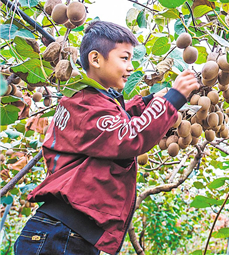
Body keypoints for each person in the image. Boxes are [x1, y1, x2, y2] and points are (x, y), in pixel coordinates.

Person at [14, 21, 199, 255]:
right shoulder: (86, 105)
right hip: (61, 234)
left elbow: (112, 120)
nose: (131, 67)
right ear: (95, 59)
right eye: (124, 58)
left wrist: (148, 101)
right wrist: (171, 99)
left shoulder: (84, 101)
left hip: (64, 233)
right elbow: (128, 136)